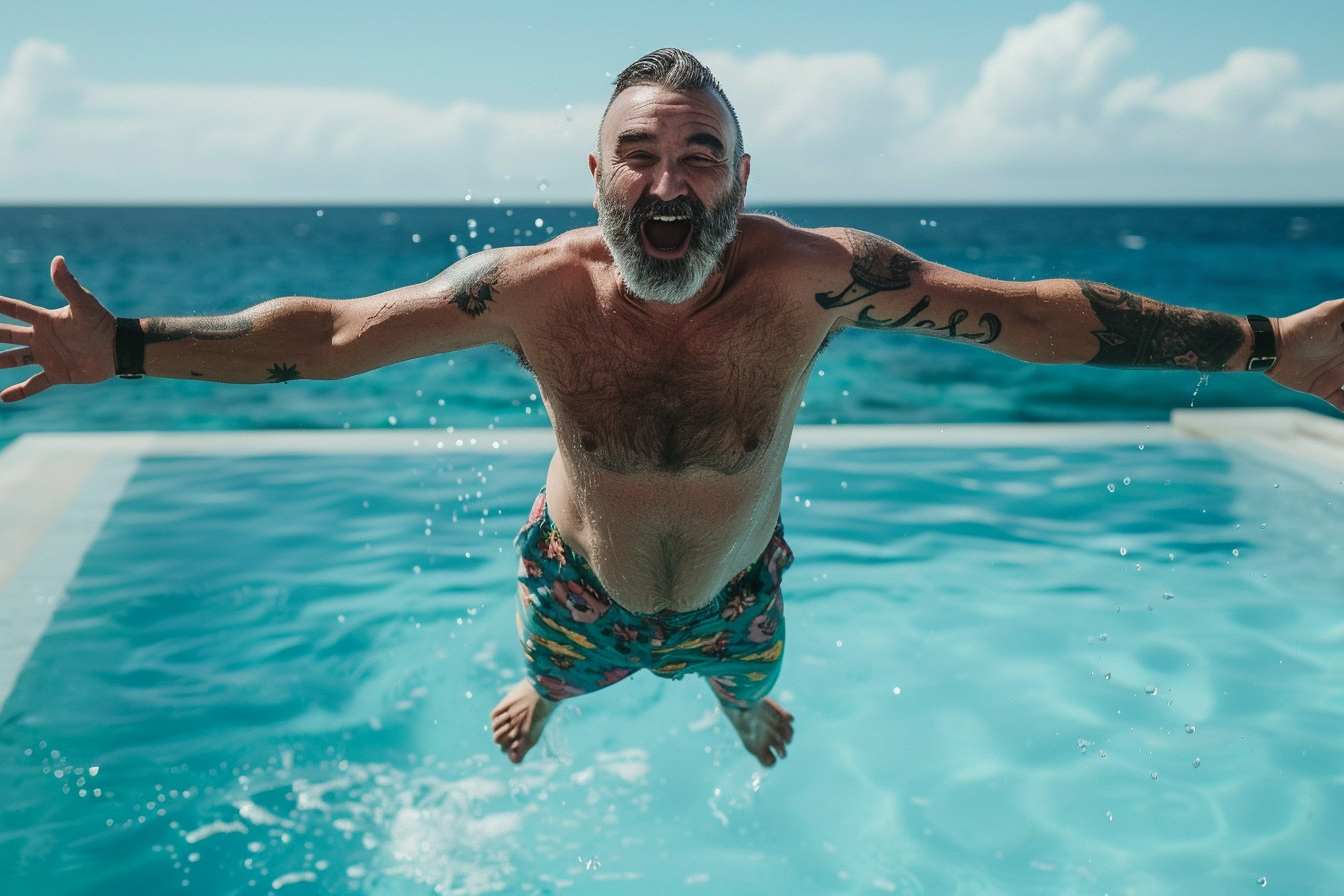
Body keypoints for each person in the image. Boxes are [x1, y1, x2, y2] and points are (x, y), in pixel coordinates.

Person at [2, 49, 1342, 768]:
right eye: (641, 152)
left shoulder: (821, 281)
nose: (670, 178)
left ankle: (729, 706)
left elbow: (1039, 314)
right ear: (596, 171)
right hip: (570, 587)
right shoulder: (528, 291)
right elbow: (339, 334)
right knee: (554, 672)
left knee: (748, 687)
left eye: (699, 155)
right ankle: (554, 691)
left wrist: (1266, 341)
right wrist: (120, 348)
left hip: (739, 597)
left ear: (744, 175)